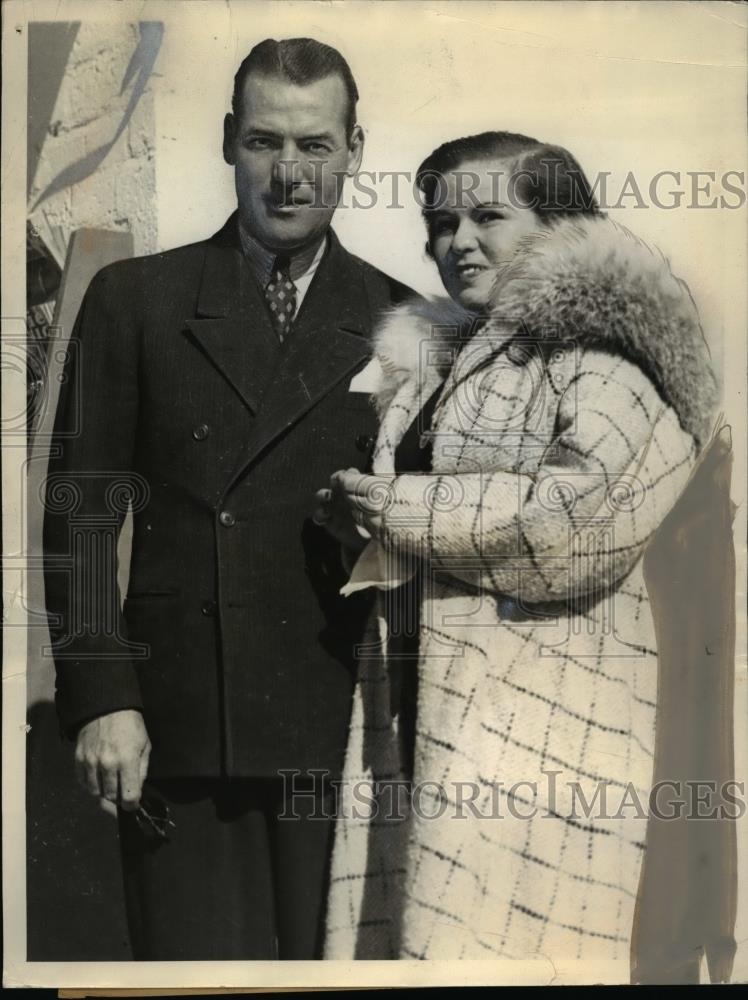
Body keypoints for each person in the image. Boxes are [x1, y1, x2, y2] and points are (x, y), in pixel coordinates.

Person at [43, 37, 412, 960]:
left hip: (337, 732)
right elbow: (82, 515)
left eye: (315, 146)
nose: (289, 174)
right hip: (173, 728)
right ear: (227, 143)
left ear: (355, 151)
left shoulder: (404, 320)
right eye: (264, 142)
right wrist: (101, 700)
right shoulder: (136, 300)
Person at [318, 132, 719, 965]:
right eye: (440, 220)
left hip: (545, 714)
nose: (458, 240)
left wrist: (395, 504)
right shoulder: (439, 360)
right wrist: (355, 516)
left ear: (559, 224)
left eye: (489, 215)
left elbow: (570, 528)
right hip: (424, 700)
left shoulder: (605, 353)